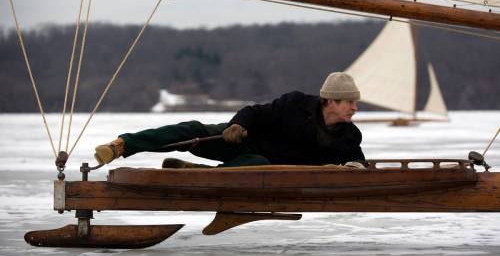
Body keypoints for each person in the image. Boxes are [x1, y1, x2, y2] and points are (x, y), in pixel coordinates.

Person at [94, 71, 365, 168]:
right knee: (191, 131)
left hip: (264, 166)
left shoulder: (349, 136)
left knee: (256, 167)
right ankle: (123, 145)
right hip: (239, 139)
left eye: (355, 102)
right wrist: (238, 125)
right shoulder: (295, 103)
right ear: (331, 100)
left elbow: (357, 161)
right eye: (350, 102)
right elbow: (255, 112)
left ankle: (197, 177)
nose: (355, 108)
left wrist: (356, 168)